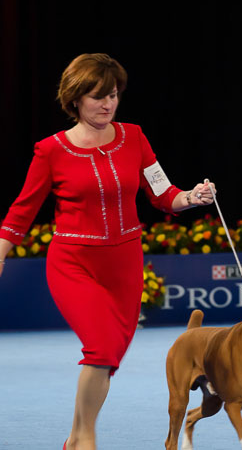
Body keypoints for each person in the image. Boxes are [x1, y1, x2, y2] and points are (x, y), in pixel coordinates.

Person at [0, 53, 216, 450]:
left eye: (113, 95)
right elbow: (23, 208)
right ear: (75, 99)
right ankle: (84, 440)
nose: (107, 104)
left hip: (126, 264)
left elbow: (162, 193)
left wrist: (192, 196)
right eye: (98, 96)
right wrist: (1, 250)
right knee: (100, 346)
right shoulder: (51, 151)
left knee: (108, 357)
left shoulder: (134, 136)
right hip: (73, 264)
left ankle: (74, 439)